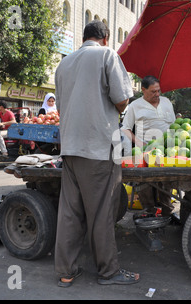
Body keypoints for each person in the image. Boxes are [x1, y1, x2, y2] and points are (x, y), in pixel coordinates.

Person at [54, 20, 138, 287]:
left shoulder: (64, 64)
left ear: (84, 37)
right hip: (98, 147)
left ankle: (66, 272)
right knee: (102, 212)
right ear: (106, 37)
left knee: (70, 212)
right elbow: (122, 100)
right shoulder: (107, 55)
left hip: (69, 147)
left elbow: (61, 103)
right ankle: (108, 272)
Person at [121, 75, 176, 216]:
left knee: (165, 181)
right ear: (143, 90)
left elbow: (174, 125)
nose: (157, 94)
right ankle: (149, 212)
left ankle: (167, 212)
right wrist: (140, 143)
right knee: (145, 181)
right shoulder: (135, 106)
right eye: (153, 92)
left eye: (158, 91)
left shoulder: (166, 102)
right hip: (144, 151)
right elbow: (125, 128)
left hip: (166, 150)